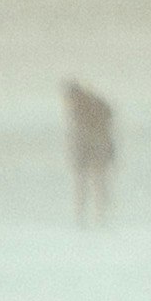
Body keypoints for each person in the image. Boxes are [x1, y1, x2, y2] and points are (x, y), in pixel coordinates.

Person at [60, 77, 119, 227]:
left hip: (96, 147)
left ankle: (100, 216)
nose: (69, 100)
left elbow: (105, 123)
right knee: (85, 182)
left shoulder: (93, 104)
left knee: (96, 181)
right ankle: (84, 216)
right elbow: (76, 132)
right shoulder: (78, 107)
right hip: (86, 148)